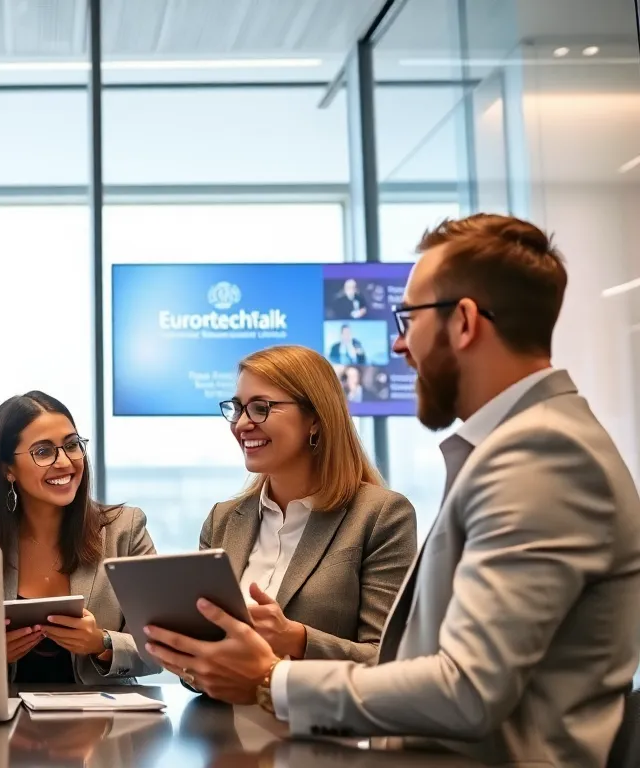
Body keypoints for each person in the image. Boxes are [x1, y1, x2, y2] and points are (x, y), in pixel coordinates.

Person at [143, 214, 640, 767]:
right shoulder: (526, 446)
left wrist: (269, 679)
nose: (399, 344)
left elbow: (465, 691)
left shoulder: (542, 456)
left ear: (466, 322)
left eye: (409, 318)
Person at [193, 346, 414, 689]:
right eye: (237, 408)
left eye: (260, 408)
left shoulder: (381, 515)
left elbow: (389, 661)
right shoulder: (223, 520)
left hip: (323, 732)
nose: (242, 423)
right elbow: (197, 666)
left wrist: (296, 639)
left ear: (315, 418)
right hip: (222, 731)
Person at [0, 392, 159, 684]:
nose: (65, 462)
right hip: (5, 722)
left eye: (72, 445)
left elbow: (160, 650)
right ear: (8, 470)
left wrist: (101, 643)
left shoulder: (125, 530)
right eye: (43, 452)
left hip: (107, 725)